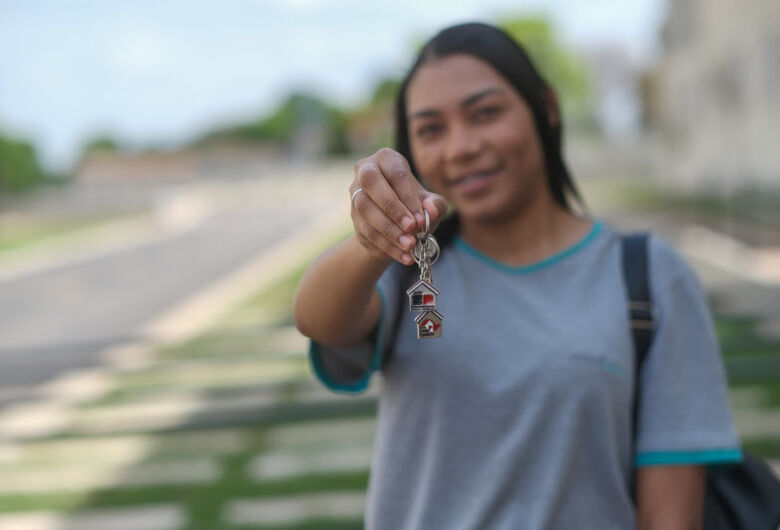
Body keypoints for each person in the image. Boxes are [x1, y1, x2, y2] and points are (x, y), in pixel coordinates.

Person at [293, 22, 742, 530]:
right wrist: (372, 240)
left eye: (485, 113)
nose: (461, 147)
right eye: (431, 129)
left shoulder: (651, 274)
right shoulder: (407, 273)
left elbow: (671, 508)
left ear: (545, 107)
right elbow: (319, 319)